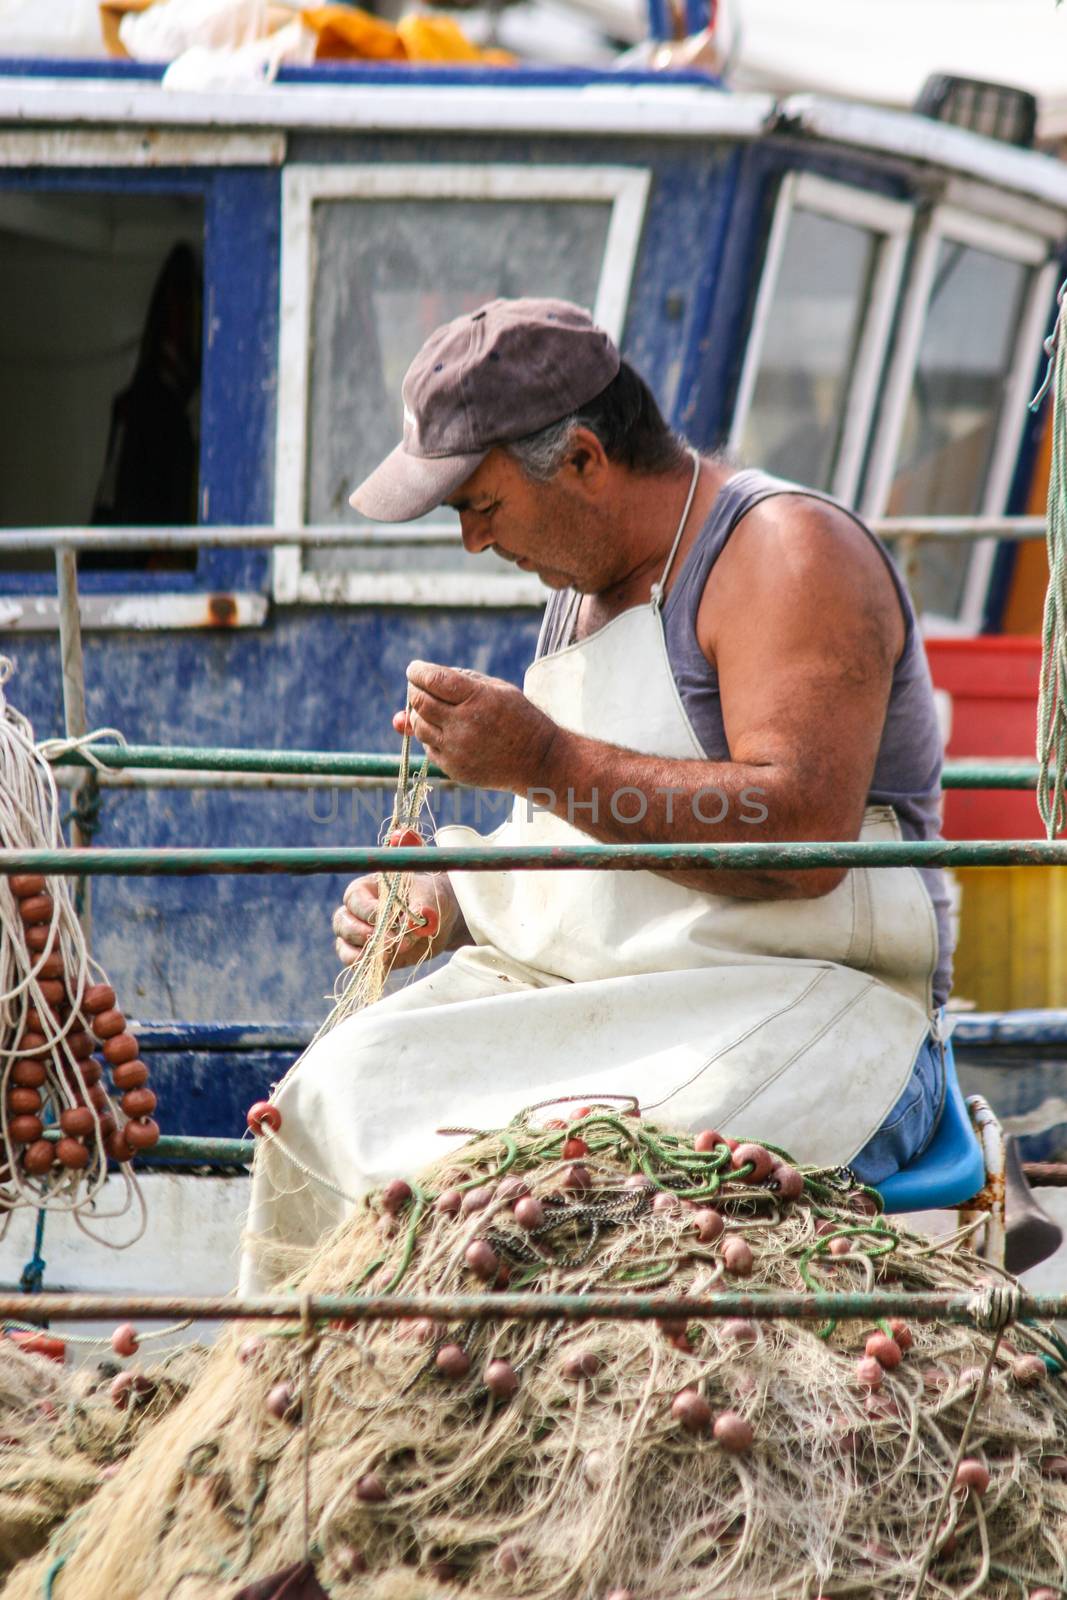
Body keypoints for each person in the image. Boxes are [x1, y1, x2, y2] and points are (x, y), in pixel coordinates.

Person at [238, 297, 950, 1291]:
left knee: (585, 1187)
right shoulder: (578, 595)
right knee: (330, 1099)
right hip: (613, 1004)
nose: (473, 545)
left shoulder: (785, 553)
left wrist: (539, 759)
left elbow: (798, 839)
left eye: (478, 506)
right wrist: (450, 895)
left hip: (814, 1008)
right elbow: (589, 851)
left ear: (580, 459)